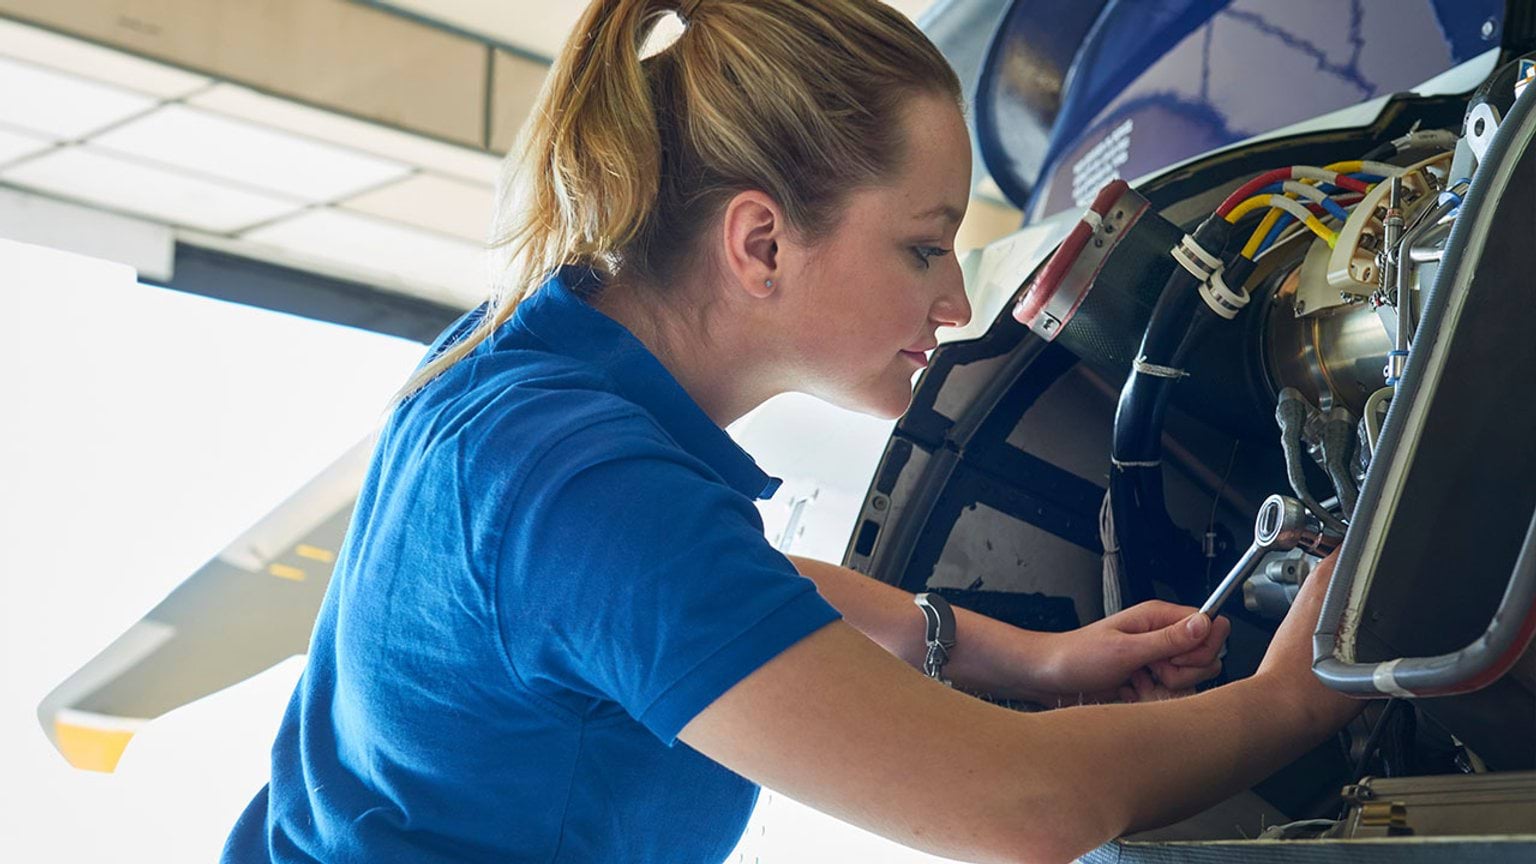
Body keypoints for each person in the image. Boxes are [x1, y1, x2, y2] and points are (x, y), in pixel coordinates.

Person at [222, 1, 1361, 862]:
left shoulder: (518, 363)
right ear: (760, 243)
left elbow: (721, 588)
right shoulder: (580, 490)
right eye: (925, 245)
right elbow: (1017, 806)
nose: (956, 302)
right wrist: (1292, 700)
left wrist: (1026, 656)